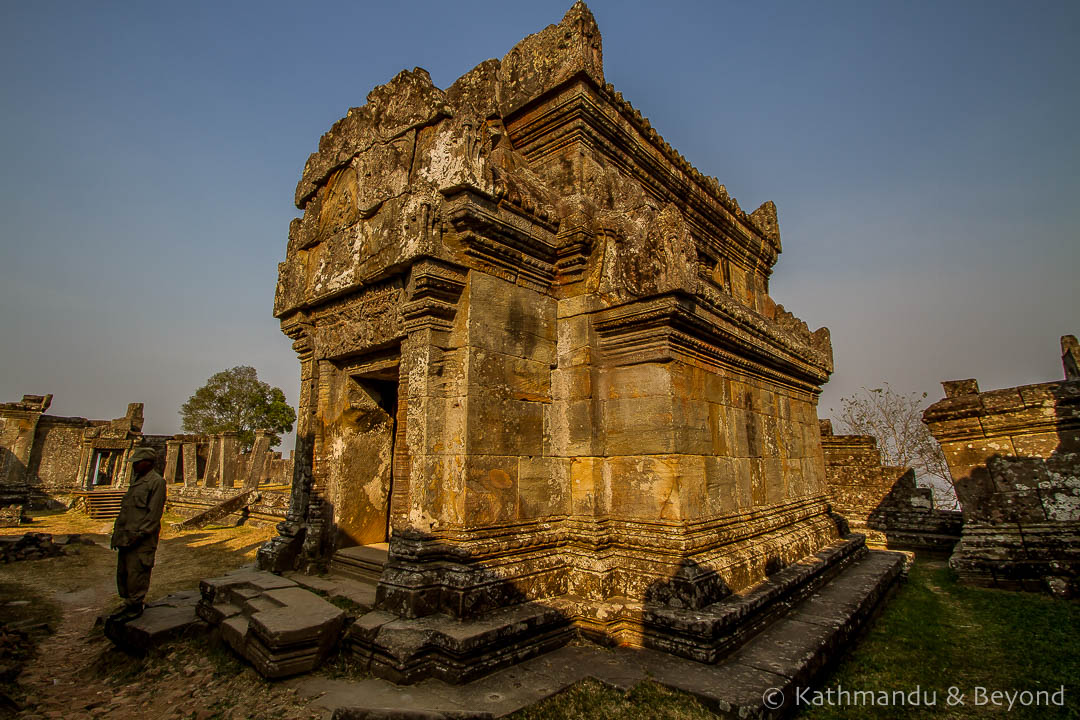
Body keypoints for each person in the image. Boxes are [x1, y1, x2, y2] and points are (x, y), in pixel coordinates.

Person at [109, 446, 166, 621]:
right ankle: (128, 602)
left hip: (141, 538)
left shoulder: (156, 482)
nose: (134, 466)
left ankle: (135, 605)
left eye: (137, 463)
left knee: (137, 573)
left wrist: (141, 533)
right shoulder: (137, 481)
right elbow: (126, 511)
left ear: (147, 463)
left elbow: (153, 513)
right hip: (126, 536)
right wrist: (117, 534)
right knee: (124, 572)